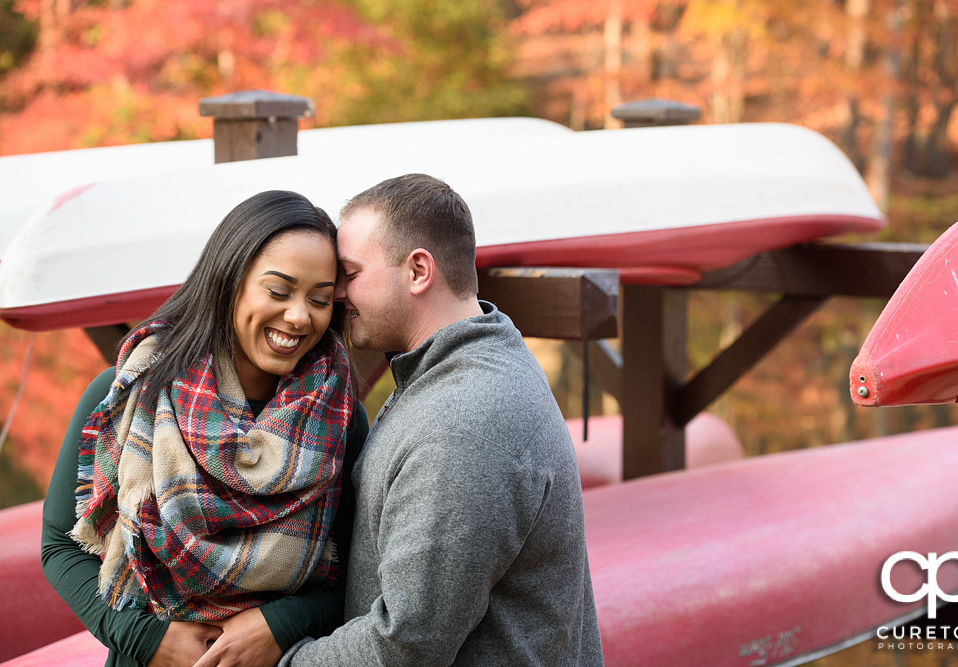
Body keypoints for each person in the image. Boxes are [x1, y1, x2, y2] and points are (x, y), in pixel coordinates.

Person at [277, 174, 604, 666]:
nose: (338, 293)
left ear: (418, 271)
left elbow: (408, 642)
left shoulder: (464, 420)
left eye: (351, 272)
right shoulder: (464, 368)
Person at [41, 190, 368, 667]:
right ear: (229, 281)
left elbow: (357, 574)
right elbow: (59, 546)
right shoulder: (132, 390)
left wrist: (279, 625)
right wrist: (148, 638)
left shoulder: (339, 416)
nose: (299, 316)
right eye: (278, 291)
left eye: (319, 299)